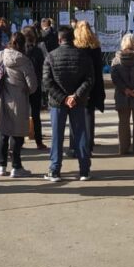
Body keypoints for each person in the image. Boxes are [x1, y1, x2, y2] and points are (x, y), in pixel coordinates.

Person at [0, 32, 38, 177]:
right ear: (22, 44)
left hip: (2, 98)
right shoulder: (24, 60)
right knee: (17, 135)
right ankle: (16, 166)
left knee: (3, 132)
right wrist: (25, 88)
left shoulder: (1, 55)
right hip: (19, 99)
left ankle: (1, 165)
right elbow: (33, 85)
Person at [42, 26, 94, 182]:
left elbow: (47, 82)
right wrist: (75, 97)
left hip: (58, 103)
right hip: (77, 102)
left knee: (57, 136)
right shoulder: (83, 56)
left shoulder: (50, 56)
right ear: (73, 39)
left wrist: (63, 98)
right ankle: (84, 170)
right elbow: (90, 79)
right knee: (80, 134)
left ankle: (55, 170)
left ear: (59, 39)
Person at [110, 33, 134, 155]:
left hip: (122, 95)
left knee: (123, 122)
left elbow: (115, 78)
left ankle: (123, 148)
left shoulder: (116, 59)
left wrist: (125, 89)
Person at [74, 21, 105, 153]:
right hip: (94, 83)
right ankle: (89, 143)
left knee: (77, 115)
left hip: (79, 84)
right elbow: (99, 68)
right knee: (89, 114)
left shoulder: (76, 47)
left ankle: (78, 144)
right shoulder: (96, 47)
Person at [22, 26, 48, 149]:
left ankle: (19, 140)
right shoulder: (37, 51)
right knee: (36, 115)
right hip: (36, 84)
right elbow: (43, 68)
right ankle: (38, 141)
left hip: (21, 86)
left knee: (21, 114)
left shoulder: (20, 51)